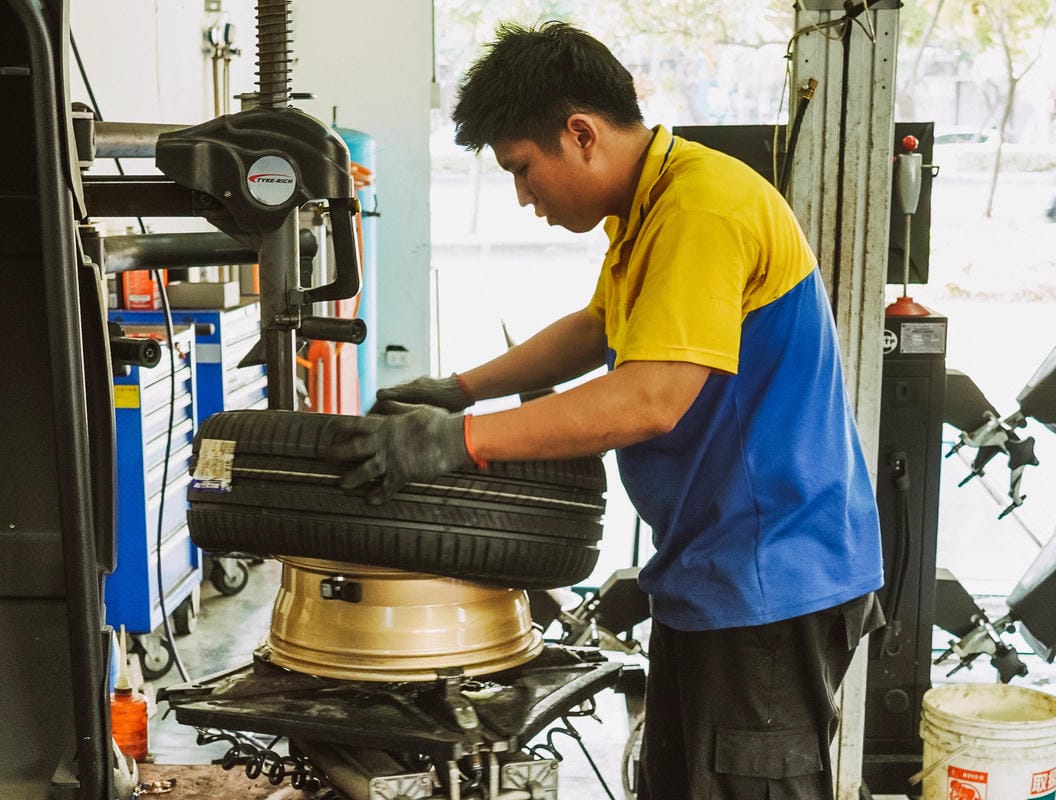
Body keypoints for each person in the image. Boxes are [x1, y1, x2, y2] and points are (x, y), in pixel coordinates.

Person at [325, 20, 884, 800]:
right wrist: (461, 388)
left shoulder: (703, 209)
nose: (524, 198)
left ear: (579, 134)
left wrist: (458, 440)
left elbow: (651, 398)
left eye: (523, 169)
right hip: (711, 566)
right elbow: (598, 329)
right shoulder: (653, 205)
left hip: (771, 572)